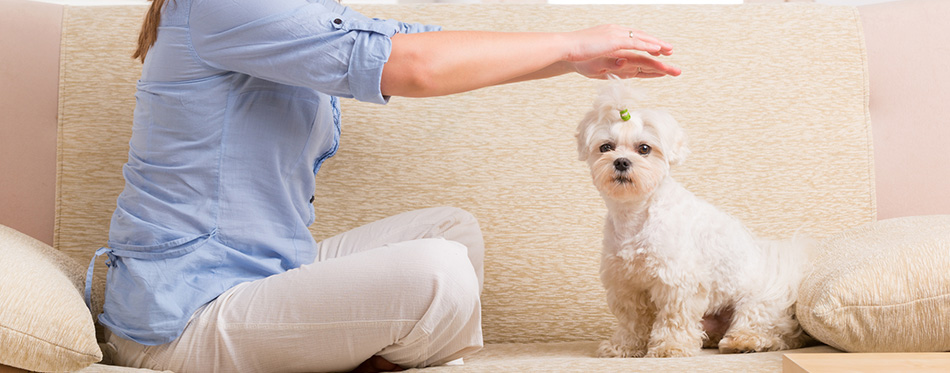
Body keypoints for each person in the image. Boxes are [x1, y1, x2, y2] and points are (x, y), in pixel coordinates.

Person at [87, 0, 681, 372]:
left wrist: (573, 60)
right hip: (183, 316)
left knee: (453, 230)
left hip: (257, 277)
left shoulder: (290, 14)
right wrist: (573, 45)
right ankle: (361, 355)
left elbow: (417, 43)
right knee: (437, 271)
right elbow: (410, 65)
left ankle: (352, 352)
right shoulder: (228, 4)